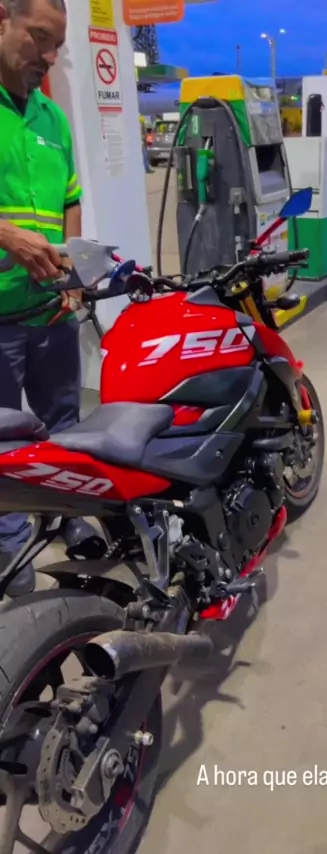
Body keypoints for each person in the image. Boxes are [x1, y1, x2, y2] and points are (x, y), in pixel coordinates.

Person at [0, 0, 96, 596]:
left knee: (64, 423)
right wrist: (6, 234)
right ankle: (12, 549)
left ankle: (67, 514)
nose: (50, 56)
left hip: (52, 311)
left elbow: (70, 199)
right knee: (4, 442)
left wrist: (73, 271)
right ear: (3, 19)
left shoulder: (52, 117)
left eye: (58, 45)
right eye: (40, 38)